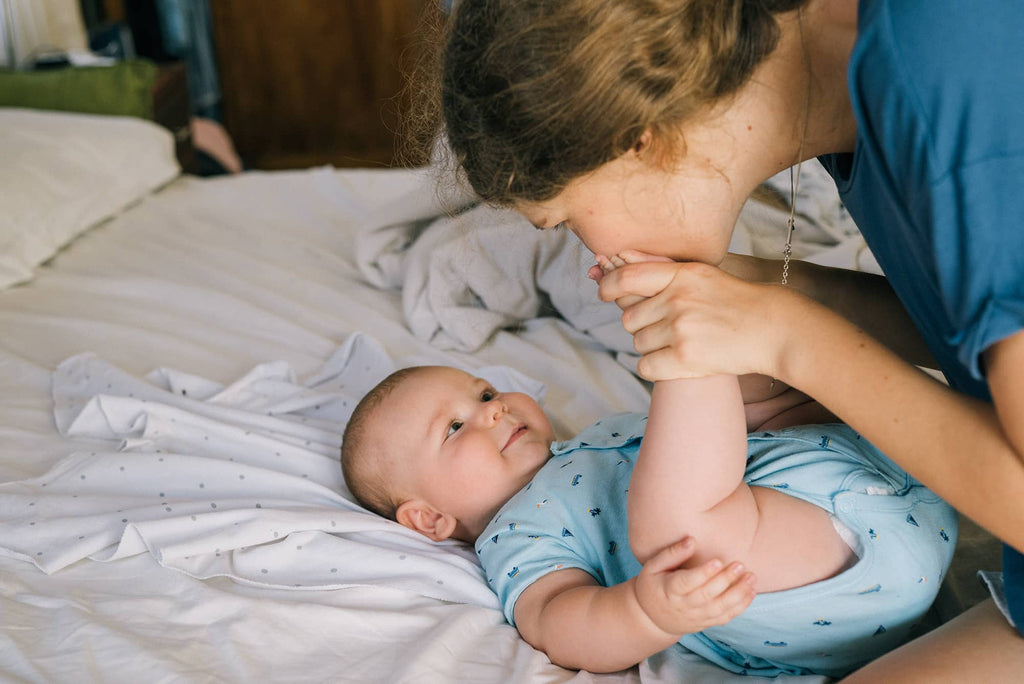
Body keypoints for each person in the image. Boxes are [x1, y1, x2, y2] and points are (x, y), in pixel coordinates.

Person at [433, 0, 1024, 678]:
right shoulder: (849, 96)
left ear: (637, 137)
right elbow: (971, 322)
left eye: (565, 220)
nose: (589, 248)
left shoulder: (942, 64)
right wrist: (776, 296)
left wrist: (789, 338)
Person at [340, 341, 956, 677]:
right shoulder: (514, 536)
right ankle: (691, 345)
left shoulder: (596, 434)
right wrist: (645, 610)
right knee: (681, 522)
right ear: (429, 518)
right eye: (454, 427)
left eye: (484, 392)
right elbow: (558, 622)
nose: (493, 409)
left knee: (750, 393)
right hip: (823, 577)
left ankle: (723, 333)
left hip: (891, 476)